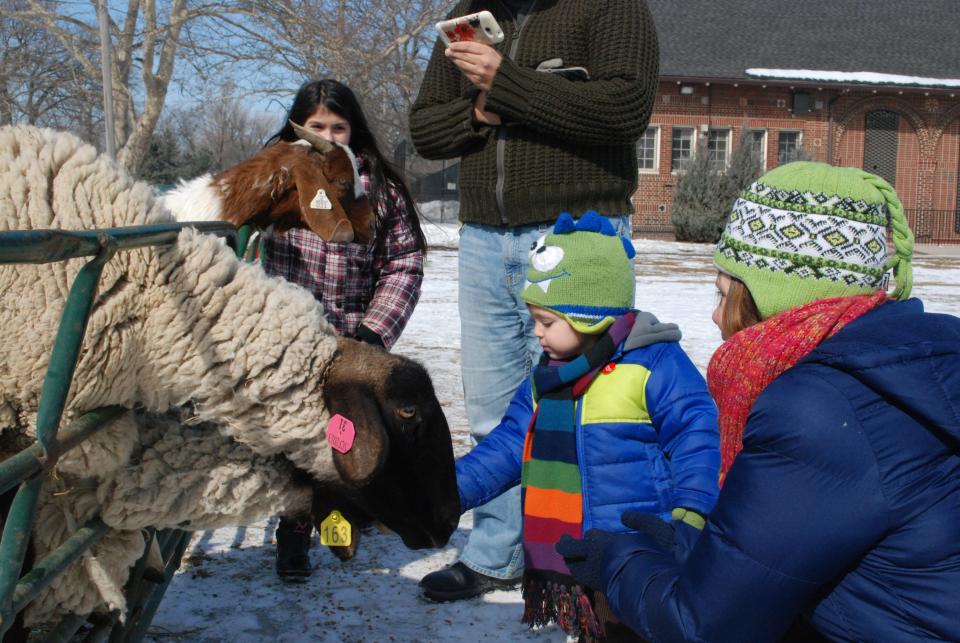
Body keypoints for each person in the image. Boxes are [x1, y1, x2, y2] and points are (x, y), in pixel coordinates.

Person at [557, 162, 960, 641]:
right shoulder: (915, 363)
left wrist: (617, 562)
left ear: (771, 295)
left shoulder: (816, 406)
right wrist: (695, 550)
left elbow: (705, 626)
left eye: (723, 291)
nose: (712, 313)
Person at [409, 0, 659, 600]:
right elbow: (425, 130)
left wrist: (506, 83)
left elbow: (624, 110)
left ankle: (589, 558)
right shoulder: (467, 13)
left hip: (580, 237)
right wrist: (481, 108)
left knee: (592, 409)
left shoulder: (611, 7)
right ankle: (496, 555)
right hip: (483, 240)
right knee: (493, 411)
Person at [451, 212, 719, 640]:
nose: (536, 333)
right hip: (578, 557)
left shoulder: (653, 365)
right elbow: (506, 447)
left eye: (547, 321)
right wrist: (448, 490)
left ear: (589, 315)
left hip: (642, 552)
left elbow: (697, 436)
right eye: (534, 318)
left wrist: (691, 510)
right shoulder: (548, 378)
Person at [263, 79, 426, 581]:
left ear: (353, 131)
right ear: (297, 128)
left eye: (338, 126)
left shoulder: (378, 188)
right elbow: (241, 248)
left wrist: (374, 334)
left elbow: (404, 260)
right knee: (295, 441)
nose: (327, 136)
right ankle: (292, 530)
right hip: (289, 341)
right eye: (316, 127)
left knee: (344, 436)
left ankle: (339, 523)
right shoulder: (274, 181)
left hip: (353, 343)